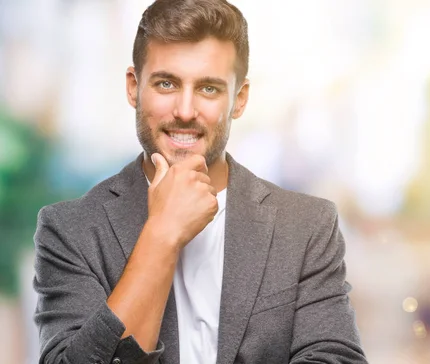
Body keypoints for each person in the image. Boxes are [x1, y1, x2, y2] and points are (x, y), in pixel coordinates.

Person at [33, 0, 367, 363]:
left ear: (239, 99)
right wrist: (161, 235)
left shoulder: (305, 227)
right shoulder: (70, 231)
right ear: (133, 87)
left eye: (209, 88)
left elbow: (336, 358)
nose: (186, 111)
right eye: (166, 83)